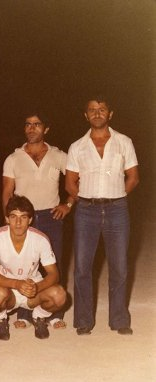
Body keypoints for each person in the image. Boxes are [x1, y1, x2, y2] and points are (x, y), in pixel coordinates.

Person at [65, 96, 139, 336]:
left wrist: (116, 195)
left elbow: (133, 177)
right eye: (92, 110)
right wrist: (87, 200)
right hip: (86, 212)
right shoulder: (77, 147)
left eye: (102, 109)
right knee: (82, 267)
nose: (97, 113)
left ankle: (119, 320)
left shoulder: (124, 142)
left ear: (110, 114)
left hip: (117, 210)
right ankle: (83, 320)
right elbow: (70, 183)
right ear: (86, 115)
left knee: (119, 266)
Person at [2, 111, 74, 330]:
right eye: (27, 124)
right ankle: (24, 312)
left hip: (51, 217)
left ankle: (54, 313)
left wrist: (68, 204)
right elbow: (7, 192)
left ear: (46, 129)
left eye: (36, 124)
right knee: (25, 265)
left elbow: (77, 181)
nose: (31, 128)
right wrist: (9, 219)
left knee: (53, 265)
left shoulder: (59, 156)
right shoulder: (13, 158)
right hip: (23, 219)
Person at [0, 195, 66, 340]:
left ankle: (39, 317)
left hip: (32, 289)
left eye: (23, 217)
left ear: (30, 219)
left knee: (59, 295)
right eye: (13, 217)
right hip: (7, 289)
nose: (18, 223)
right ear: (7, 218)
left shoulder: (40, 239)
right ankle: (0, 319)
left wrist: (37, 287)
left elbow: (54, 274)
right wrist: (16, 284)